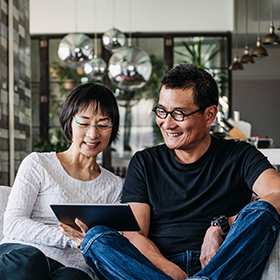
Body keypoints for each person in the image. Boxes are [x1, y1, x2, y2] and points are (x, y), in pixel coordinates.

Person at [60, 64, 280, 280]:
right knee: (96, 238)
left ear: (209, 115)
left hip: (223, 262)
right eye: (162, 111)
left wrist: (220, 227)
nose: (167, 123)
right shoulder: (144, 162)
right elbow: (135, 233)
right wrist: (170, 271)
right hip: (157, 269)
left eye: (179, 114)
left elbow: (277, 195)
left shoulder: (240, 155)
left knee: (262, 210)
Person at [0, 83, 123, 280]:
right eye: (84, 123)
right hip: (22, 255)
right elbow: (13, 224)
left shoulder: (114, 186)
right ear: (69, 122)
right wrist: (71, 239)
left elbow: (107, 242)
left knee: (75, 278)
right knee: (31, 262)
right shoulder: (38, 163)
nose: (93, 134)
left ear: (112, 128)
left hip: (71, 267)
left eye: (102, 124)